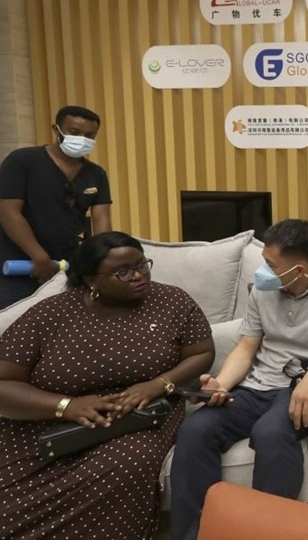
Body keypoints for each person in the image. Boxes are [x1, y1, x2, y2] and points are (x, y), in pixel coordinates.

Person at [169, 219, 308, 540]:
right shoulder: (262, 293)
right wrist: (222, 384)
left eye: (271, 265)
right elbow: (246, 348)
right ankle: (196, 533)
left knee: (270, 434)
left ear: (299, 270)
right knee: (195, 431)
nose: (262, 272)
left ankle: (268, 531)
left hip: (293, 392)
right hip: (252, 388)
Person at [0, 231, 214, 539]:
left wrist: (158, 385)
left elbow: (201, 353)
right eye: (123, 272)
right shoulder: (50, 314)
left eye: (142, 265)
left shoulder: (172, 301)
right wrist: (67, 407)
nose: (138, 276)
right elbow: (4, 381)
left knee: (132, 461)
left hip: (137, 419)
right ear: (91, 279)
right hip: (45, 426)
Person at [0, 105, 112, 309]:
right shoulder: (22, 161)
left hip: (66, 266)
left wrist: (101, 258)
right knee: (13, 322)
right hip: (19, 265)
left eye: (89, 136)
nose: (82, 139)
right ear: (56, 129)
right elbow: (8, 213)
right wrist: (39, 257)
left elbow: (102, 220)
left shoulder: (96, 174)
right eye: (74, 132)